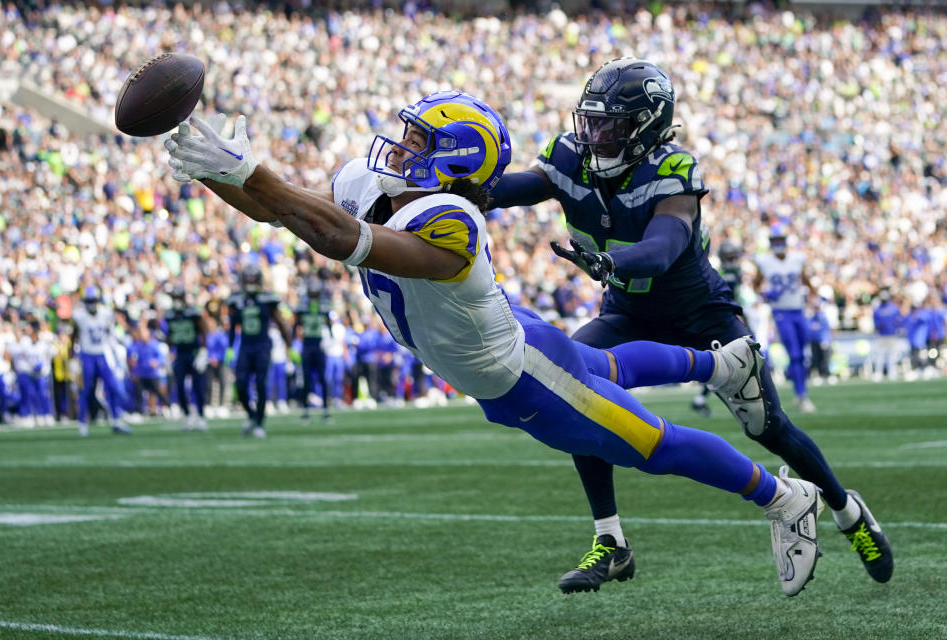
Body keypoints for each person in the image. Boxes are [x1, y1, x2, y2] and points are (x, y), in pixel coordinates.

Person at [168, 91, 827, 596]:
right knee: (604, 364)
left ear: (454, 158)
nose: (399, 147)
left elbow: (342, 240)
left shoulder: (451, 219)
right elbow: (283, 208)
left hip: (523, 372)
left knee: (652, 446)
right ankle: (719, 363)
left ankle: (782, 497)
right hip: (508, 350)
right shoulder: (379, 186)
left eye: (419, 140)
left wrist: (253, 169)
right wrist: (222, 177)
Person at [487, 59, 892, 590]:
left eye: (611, 125)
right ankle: (610, 540)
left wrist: (615, 264)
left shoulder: (673, 168)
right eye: (592, 121)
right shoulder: (569, 156)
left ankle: (845, 512)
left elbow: (662, 247)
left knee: (770, 429)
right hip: (627, 314)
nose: (596, 135)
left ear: (648, 126)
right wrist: (450, 193)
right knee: (573, 389)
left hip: (701, 315)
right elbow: (511, 189)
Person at [754, 225, 816, 412]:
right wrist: (764, 294)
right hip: (781, 312)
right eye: (774, 242)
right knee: (795, 354)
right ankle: (801, 394)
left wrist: (814, 295)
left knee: (803, 353)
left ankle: (797, 383)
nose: (778, 244)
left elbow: (805, 279)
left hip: (798, 310)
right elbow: (756, 285)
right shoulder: (764, 262)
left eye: (780, 241)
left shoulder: (797, 259)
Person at [227, 263, 290, 438]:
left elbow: (280, 323)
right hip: (245, 346)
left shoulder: (268, 299)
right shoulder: (236, 300)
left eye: (252, 279)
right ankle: (252, 416)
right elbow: (233, 326)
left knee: (261, 384)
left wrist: (289, 345)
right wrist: (230, 347)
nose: (249, 283)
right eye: (247, 279)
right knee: (240, 383)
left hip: (262, 346)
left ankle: (260, 423)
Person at [691, 240, 745, 417]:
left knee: (728, 362)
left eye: (732, 256)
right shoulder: (727, 273)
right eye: (728, 256)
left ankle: (702, 398)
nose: (731, 259)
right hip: (723, 320)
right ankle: (706, 398)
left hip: (724, 318)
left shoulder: (730, 272)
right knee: (730, 361)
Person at [71, 286, 131, 437]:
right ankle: (82, 423)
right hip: (87, 355)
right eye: (89, 301)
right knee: (85, 391)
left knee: (113, 387)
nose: (91, 304)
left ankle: (116, 420)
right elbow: (74, 336)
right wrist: (73, 356)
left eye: (93, 301)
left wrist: (115, 352)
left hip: (103, 355)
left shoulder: (106, 313)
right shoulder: (79, 315)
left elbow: (110, 333)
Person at [164, 285, 209, 430]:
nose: (177, 301)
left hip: (194, 353)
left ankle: (201, 416)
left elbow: (203, 330)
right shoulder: (169, 314)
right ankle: (188, 416)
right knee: (180, 386)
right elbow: (170, 335)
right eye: (175, 298)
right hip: (180, 354)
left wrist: (203, 351)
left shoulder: (192, 312)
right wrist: (168, 353)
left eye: (179, 298)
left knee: (198, 386)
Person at [295, 277, 333, 422]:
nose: (314, 296)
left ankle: (325, 409)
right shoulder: (303, 307)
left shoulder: (323, 307)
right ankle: (305, 410)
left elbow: (329, 326)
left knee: (323, 378)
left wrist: (330, 340)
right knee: (306, 378)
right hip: (307, 345)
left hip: (319, 346)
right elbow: (296, 326)